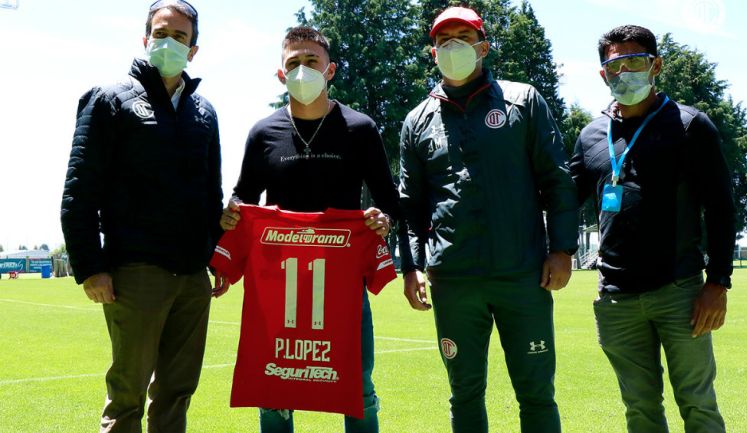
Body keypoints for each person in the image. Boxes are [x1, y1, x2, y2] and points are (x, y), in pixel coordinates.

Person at [398, 6, 579, 433]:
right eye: (445, 40)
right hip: (454, 281)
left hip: (523, 277)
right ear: (433, 51)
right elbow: (409, 207)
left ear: (484, 46)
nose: (454, 46)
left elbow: (556, 180)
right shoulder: (416, 121)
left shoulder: (523, 100)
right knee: (464, 393)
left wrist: (563, 248)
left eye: (464, 37)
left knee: (536, 393)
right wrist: (411, 266)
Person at [216, 26, 399, 433]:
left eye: (311, 61)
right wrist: (230, 215)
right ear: (280, 75)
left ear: (330, 69)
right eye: (293, 63)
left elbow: (388, 199)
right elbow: (243, 198)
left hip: (343, 282)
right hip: (276, 285)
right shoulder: (264, 132)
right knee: (274, 389)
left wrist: (382, 220)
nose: (302, 70)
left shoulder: (360, 128)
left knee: (358, 387)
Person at [60, 1, 222, 431]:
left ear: (194, 49)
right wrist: (90, 268)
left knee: (177, 392)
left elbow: (212, 195)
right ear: (145, 37)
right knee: (127, 398)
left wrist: (217, 258)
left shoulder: (204, 112)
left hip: (192, 277)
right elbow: (79, 190)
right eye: (161, 32)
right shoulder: (109, 100)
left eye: (180, 37)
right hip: (135, 273)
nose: (169, 42)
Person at [569, 25, 735, 433]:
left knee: (698, 405)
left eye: (636, 62)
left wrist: (718, 282)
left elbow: (720, 206)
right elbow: (559, 202)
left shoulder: (689, 126)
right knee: (640, 410)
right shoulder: (591, 135)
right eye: (615, 64)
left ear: (656, 65)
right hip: (616, 300)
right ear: (602, 73)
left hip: (679, 293)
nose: (625, 72)